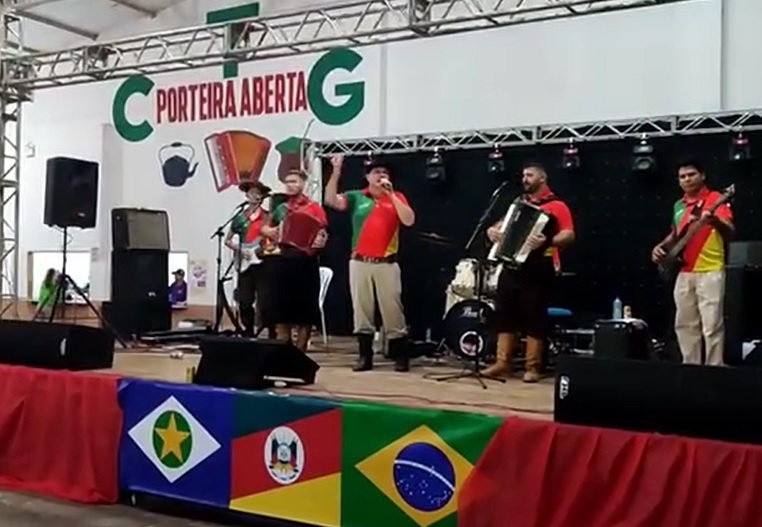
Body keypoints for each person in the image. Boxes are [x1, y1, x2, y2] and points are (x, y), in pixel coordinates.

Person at [481, 162, 575, 383]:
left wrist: (548, 241)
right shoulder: (518, 204)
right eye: (524, 175)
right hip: (512, 265)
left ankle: (533, 366)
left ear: (542, 178)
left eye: (530, 175)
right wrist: (492, 231)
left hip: (539, 266)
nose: (525, 179)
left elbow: (569, 234)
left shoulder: (557, 206)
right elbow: (499, 226)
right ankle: (502, 362)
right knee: (504, 312)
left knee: (534, 314)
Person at [324, 155, 416, 372]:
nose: (381, 175)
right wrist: (335, 172)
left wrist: (391, 194)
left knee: (392, 309)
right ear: (367, 177)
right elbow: (330, 200)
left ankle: (400, 354)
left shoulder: (397, 197)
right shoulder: (357, 197)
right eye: (376, 172)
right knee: (362, 309)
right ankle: (365, 356)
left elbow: (409, 220)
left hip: (386, 262)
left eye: (384, 172)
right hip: (360, 262)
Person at [651, 159, 733, 366]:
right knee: (685, 324)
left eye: (691, 175)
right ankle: (691, 367)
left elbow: (730, 230)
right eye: (682, 177)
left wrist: (714, 221)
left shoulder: (715, 199)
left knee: (712, 324)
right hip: (684, 270)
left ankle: (714, 368)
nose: (687, 179)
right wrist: (660, 247)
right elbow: (675, 234)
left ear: (702, 176)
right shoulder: (679, 205)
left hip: (710, 269)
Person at [261, 169, 328, 352]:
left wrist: (320, 239)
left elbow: (323, 230)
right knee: (281, 311)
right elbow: (265, 228)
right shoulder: (282, 208)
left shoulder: (314, 208)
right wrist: (270, 231)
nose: (290, 185)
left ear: (303, 184)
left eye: (294, 181)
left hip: (306, 261)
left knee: (305, 312)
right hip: (284, 260)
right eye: (287, 182)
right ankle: (285, 351)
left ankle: (300, 352)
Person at [226, 179, 271, 336]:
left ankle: (269, 330)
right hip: (245, 262)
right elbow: (227, 240)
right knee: (244, 300)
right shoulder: (240, 217)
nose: (254, 195)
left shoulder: (268, 217)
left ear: (262, 196)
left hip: (263, 261)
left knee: (265, 299)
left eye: (257, 193)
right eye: (251, 192)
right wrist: (240, 250)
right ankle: (248, 329)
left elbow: (274, 238)